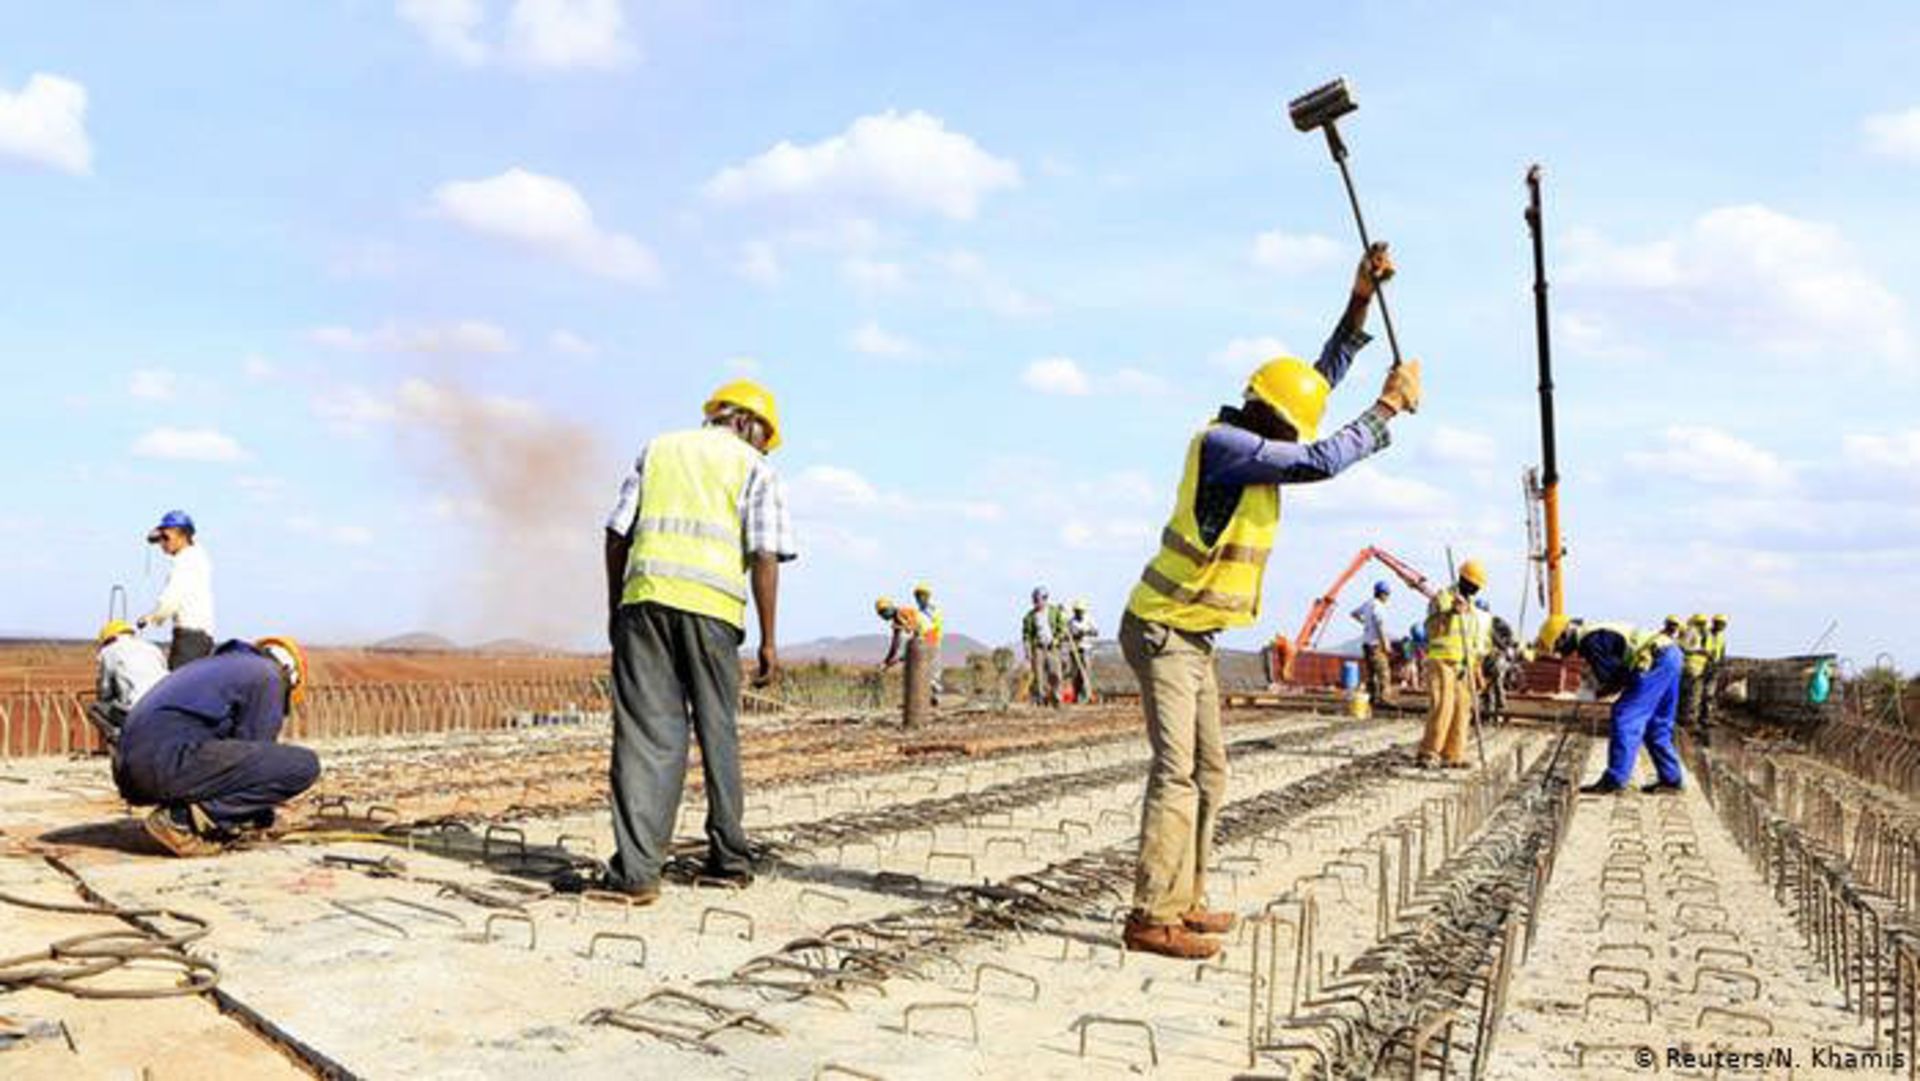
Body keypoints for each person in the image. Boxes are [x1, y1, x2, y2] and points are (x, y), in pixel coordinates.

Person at [1118, 243, 1420, 959]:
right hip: (1160, 629)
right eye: (1293, 427)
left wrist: (1359, 301)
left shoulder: (1263, 423)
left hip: (1192, 637)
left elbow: (1316, 380)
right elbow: (1318, 459)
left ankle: (1185, 898)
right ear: (1271, 420)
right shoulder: (1227, 445)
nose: (1298, 436)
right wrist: (1385, 411)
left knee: (1211, 771)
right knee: (1177, 771)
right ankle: (1150, 913)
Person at [598, 380, 796, 900]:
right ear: (749, 424)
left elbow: (618, 533)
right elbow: (765, 555)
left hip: (645, 603)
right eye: (764, 437)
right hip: (712, 613)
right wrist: (769, 640)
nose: (762, 447)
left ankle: (637, 874)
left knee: (646, 737)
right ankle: (728, 861)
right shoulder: (755, 468)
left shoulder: (658, 450)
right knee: (717, 732)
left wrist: (616, 606)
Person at [113, 637, 318, 856]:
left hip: (132, 770)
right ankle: (180, 821)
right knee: (302, 765)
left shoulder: (219, 666)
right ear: (290, 674)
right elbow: (255, 746)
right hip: (164, 761)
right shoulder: (268, 675)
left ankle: (186, 813)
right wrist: (259, 815)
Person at [1541, 615, 1682, 794]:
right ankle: (1671, 779)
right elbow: (1618, 674)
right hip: (1671, 655)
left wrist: (1593, 694)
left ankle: (1615, 780)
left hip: (1655, 659)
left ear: (1564, 635)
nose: (1561, 652)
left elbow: (1615, 678)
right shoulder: (1596, 634)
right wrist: (1596, 690)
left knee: (1625, 716)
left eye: (1559, 646)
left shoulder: (1590, 641)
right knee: (1657, 724)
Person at [1418, 560, 1488, 768]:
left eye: (1477, 586)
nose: (1474, 588)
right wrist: (1450, 613)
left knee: (1461, 710)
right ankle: (1429, 752)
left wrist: (1475, 669)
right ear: (1463, 579)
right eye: (1472, 584)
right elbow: (1430, 628)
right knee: (1443, 706)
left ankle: (1453, 754)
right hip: (1442, 660)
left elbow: (1474, 640)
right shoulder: (1443, 598)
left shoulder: (1472, 608)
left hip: (1463, 665)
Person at [139, 510, 215, 670]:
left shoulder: (185, 562)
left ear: (183, 535)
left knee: (176, 689)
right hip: (203, 639)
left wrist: (151, 618)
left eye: (166, 538)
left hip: (189, 639)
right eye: (161, 539)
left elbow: (171, 600)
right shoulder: (199, 556)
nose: (163, 544)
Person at [90, 620, 167, 750]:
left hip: (137, 708)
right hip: (166, 704)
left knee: (94, 709)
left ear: (108, 639)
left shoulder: (108, 652)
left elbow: (105, 691)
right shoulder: (152, 648)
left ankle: (118, 735)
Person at [1349, 580, 1393, 706]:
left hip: (1366, 644)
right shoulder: (1379, 607)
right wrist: (1386, 645)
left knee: (1371, 673)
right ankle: (1385, 699)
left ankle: (1373, 698)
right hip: (1376, 645)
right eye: (1387, 595)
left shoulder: (1368, 604)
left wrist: (1365, 623)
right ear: (1383, 594)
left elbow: (1353, 614)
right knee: (1383, 672)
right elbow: (1380, 627)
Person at [1021, 587, 1065, 708]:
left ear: (1045, 599)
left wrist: (1057, 639)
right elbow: (1026, 635)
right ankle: (1041, 699)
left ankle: (1057, 699)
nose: (1036, 602)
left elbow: (1062, 629)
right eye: (1034, 600)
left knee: (1055, 674)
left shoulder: (1054, 612)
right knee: (1039, 676)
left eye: (1038, 599)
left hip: (1053, 647)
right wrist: (1027, 651)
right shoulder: (1029, 617)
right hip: (1038, 648)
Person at [1678, 613, 1710, 743]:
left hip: (1697, 668)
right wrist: (1699, 651)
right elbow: (1684, 647)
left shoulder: (1699, 633)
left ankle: (1687, 719)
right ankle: (1685, 721)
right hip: (1690, 668)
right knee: (1689, 695)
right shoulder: (1691, 632)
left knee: (1693, 696)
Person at [912, 582, 945, 705]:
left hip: (932, 640)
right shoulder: (918, 612)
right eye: (918, 596)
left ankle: (935, 696)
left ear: (927, 596)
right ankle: (924, 697)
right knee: (922, 670)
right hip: (922, 642)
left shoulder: (933, 609)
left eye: (922, 595)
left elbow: (935, 626)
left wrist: (928, 639)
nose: (919, 598)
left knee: (933, 670)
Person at [1700, 614, 1731, 740]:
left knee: (1709, 693)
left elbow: (1722, 653)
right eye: (1719, 623)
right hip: (1702, 666)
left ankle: (1706, 716)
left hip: (1714, 667)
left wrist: (1721, 666)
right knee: (1699, 693)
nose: (1721, 626)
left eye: (1723, 624)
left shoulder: (1721, 638)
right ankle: (1697, 717)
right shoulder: (1705, 634)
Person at [1065, 599, 1099, 703]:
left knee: (1086, 673)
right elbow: (1066, 636)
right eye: (1077, 611)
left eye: (1080, 611)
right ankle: (1076, 695)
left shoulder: (1089, 620)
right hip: (1074, 650)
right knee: (1075, 674)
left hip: (1086, 649)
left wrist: (1086, 632)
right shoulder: (1070, 622)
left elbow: (1096, 631)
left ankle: (1087, 695)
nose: (1078, 613)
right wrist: (1074, 634)